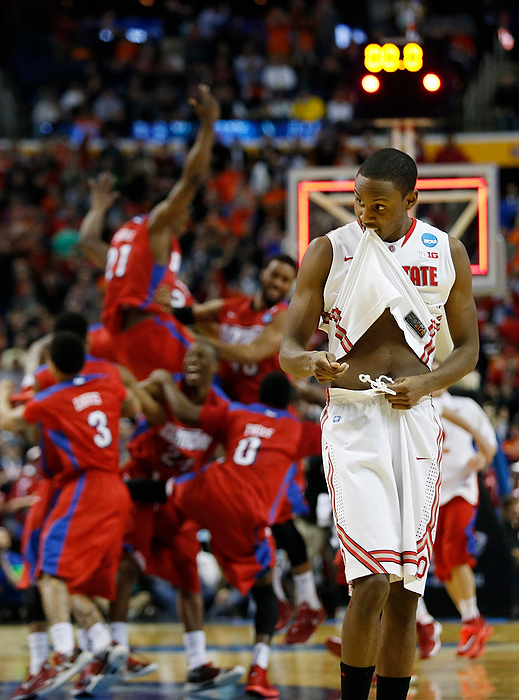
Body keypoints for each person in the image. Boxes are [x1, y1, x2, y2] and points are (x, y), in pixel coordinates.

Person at [279, 147, 479, 700]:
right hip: (352, 419)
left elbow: (467, 352)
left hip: (416, 419)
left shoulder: (446, 251)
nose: (365, 213)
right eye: (359, 201)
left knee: (407, 593)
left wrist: (427, 384)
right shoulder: (329, 250)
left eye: (379, 204)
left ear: (411, 200)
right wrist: (309, 362)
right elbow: (289, 348)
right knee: (368, 582)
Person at [129, 370, 322, 699]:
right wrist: (312, 395)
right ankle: (259, 669)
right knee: (264, 587)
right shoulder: (299, 429)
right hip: (247, 510)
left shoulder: (238, 412)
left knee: (163, 490)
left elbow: (189, 413)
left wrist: (163, 384)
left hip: (210, 488)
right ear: (290, 402)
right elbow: (342, 428)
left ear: (258, 397)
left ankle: (113, 493)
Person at [176, 253, 326, 642]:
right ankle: (277, 596)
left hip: (269, 421)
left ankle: (306, 599)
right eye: (274, 273)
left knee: (275, 513)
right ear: (263, 272)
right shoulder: (230, 307)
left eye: (285, 278)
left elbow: (249, 354)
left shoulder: (283, 316)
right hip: (231, 419)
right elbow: (186, 314)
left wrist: (197, 343)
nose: (277, 282)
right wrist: (167, 310)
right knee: (243, 512)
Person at [0, 332, 140, 698]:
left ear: (52, 366)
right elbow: (132, 406)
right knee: (78, 583)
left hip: (84, 489)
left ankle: (62, 653)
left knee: (48, 573)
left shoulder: (52, 398)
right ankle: (104, 644)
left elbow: (9, 421)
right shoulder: (106, 383)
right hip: (116, 486)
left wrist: (3, 392)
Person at [111, 339, 245, 692]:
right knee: (128, 564)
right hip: (141, 486)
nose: (192, 361)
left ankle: (197, 662)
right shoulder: (160, 383)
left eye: (201, 356)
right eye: (189, 356)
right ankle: (116, 649)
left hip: (176, 496)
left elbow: (227, 452)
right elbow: (127, 399)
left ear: (216, 366)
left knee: (190, 577)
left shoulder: (220, 410)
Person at [79, 84, 220, 380]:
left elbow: (89, 241)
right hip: (148, 330)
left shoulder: (125, 238)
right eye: (182, 212)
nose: (186, 220)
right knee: (215, 367)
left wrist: (98, 208)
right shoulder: (158, 226)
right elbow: (192, 178)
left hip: (120, 338)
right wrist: (208, 126)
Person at [432, 383, 497, 658]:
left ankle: (471, 620)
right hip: (429, 494)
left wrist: (481, 459)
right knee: (443, 566)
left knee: (455, 551)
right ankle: (471, 620)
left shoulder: (465, 406)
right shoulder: (414, 405)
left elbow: (490, 446)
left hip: (460, 488)